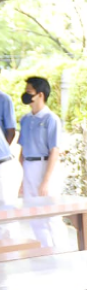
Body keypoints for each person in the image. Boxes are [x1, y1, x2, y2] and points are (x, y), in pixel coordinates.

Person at [19, 77, 65, 248]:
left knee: (51, 213)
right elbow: (22, 150)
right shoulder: (25, 119)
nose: (25, 95)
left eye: (29, 92)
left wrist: (46, 180)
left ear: (40, 95)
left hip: (46, 166)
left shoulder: (50, 119)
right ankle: (45, 250)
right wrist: (22, 179)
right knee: (34, 213)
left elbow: (54, 150)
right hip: (29, 166)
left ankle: (60, 251)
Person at [0, 88, 22, 239]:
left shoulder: (4, 99)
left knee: (7, 217)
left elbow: (11, 131)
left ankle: (11, 256)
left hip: (3, 165)